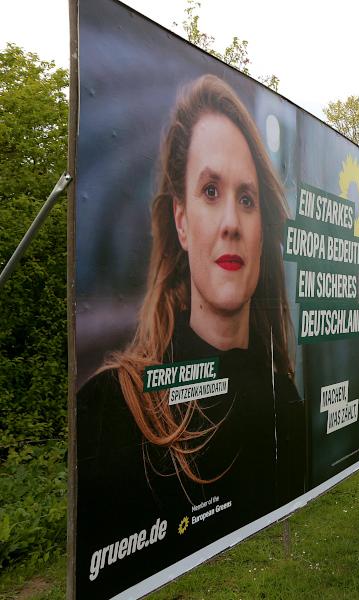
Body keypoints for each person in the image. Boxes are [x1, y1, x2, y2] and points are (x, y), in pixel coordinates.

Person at [75, 75, 304, 595]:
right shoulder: (111, 409)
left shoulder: (283, 404)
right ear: (181, 221)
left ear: (262, 227)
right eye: (210, 191)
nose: (231, 222)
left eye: (247, 199)